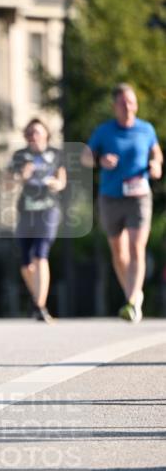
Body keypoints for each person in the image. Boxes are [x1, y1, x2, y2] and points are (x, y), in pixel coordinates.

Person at [83, 84, 162, 321]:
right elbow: (85, 157)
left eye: (131, 102)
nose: (127, 106)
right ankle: (135, 294)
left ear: (136, 104)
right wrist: (99, 159)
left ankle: (130, 302)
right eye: (122, 102)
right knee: (118, 253)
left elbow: (156, 153)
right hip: (111, 196)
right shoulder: (104, 131)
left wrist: (156, 164)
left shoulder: (146, 129)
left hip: (139, 196)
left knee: (136, 247)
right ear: (114, 106)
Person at [8, 118, 67, 323]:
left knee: (40, 255)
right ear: (26, 136)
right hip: (26, 211)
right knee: (25, 262)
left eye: (38, 132)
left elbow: (62, 180)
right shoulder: (19, 156)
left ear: (46, 135)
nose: (34, 136)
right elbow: (8, 183)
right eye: (30, 133)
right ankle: (38, 300)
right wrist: (21, 176)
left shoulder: (56, 155)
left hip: (48, 209)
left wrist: (55, 184)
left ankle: (39, 306)